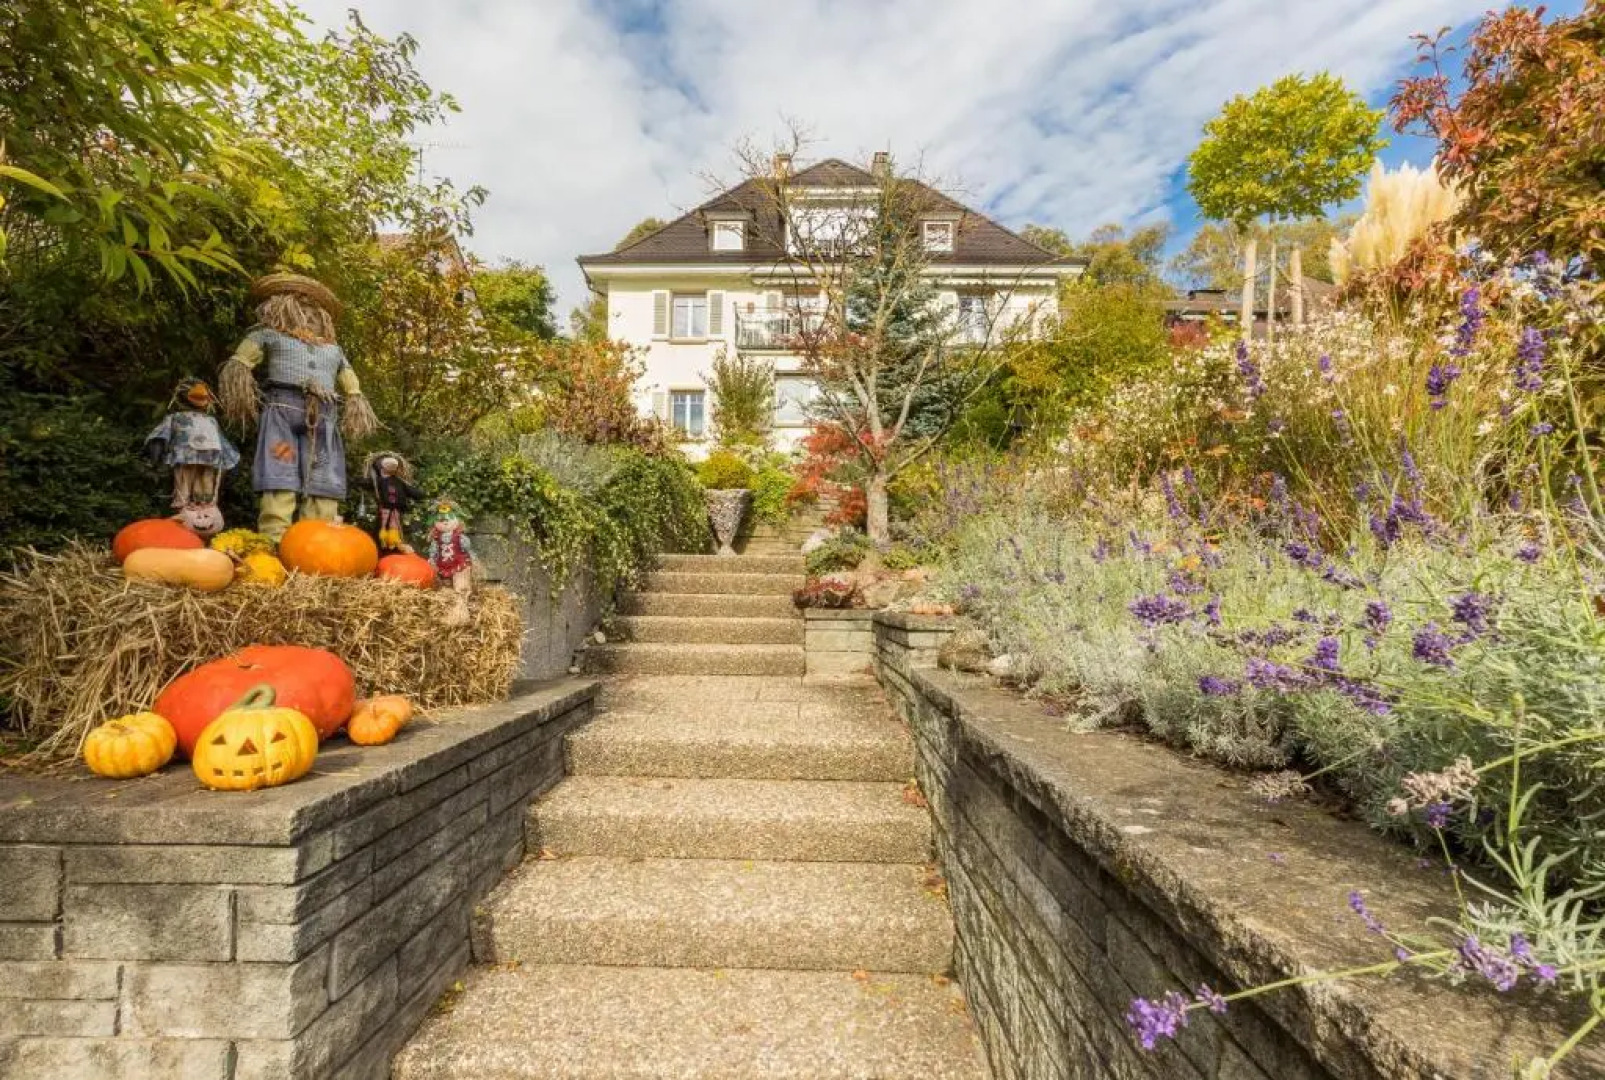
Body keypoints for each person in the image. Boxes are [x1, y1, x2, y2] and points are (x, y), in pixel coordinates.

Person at [217, 273, 378, 540]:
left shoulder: (333, 350)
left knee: (323, 474)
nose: (307, 311)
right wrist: (239, 375)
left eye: (313, 307)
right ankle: (275, 537)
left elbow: (349, 379)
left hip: (324, 415)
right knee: (279, 469)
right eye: (298, 304)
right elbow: (242, 360)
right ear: (281, 304)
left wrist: (355, 396)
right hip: (282, 410)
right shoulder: (269, 334)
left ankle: (316, 538)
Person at [143, 379, 240, 537]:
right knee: (183, 494)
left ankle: (206, 531)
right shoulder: (175, 418)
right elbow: (161, 436)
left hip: (210, 464)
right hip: (184, 462)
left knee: (207, 496)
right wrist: (156, 456)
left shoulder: (211, 420)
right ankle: (183, 532)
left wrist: (230, 462)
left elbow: (222, 443)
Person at [365, 451, 422, 554]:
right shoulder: (387, 481)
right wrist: (421, 493)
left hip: (389, 513)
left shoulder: (382, 481)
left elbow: (415, 493)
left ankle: (385, 556)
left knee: (387, 535)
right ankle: (388, 555)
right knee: (389, 535)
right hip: (390, 513)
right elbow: (416, 493)